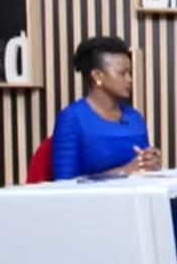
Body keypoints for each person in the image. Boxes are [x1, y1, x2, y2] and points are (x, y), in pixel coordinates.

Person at [52, 36, 161, 180]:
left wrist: (151, 163)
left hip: (135, 200)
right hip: (92, 202)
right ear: (98, 76)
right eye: (122, 73)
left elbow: (143, 169)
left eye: (130, 73)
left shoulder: (135, 118)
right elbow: (64, 185)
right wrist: (125, 171)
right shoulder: (72, 119)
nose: (130, 80)